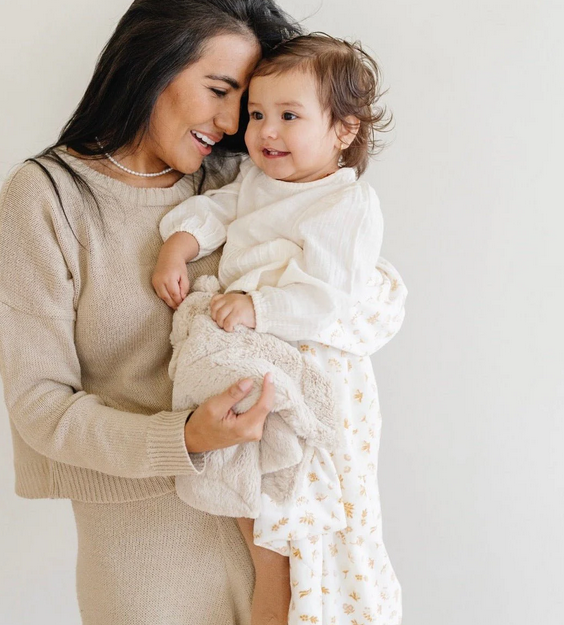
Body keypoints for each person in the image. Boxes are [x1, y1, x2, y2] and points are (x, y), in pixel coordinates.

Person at [0, 0, 403, 622]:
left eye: (247, 102)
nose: (235, 122)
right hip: (148, 560)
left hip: (291, 549)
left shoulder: (245, 175)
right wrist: (186, 438)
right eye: (222, 91)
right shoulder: (48, 199)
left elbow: (365, 294)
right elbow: (40, 409)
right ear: (152, 64)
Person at [154, 34, 404, 625]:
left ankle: (331, 603)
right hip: (257, 351)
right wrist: (177, 247)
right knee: (262, 519)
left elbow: (331, 299)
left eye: (289, 116)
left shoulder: (346, 203)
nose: (266, 131)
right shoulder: (254, 181)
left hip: (318, 363)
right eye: (257, 115)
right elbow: (214, 213)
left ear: (343, 130)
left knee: (311, 518)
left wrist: (258, 307)